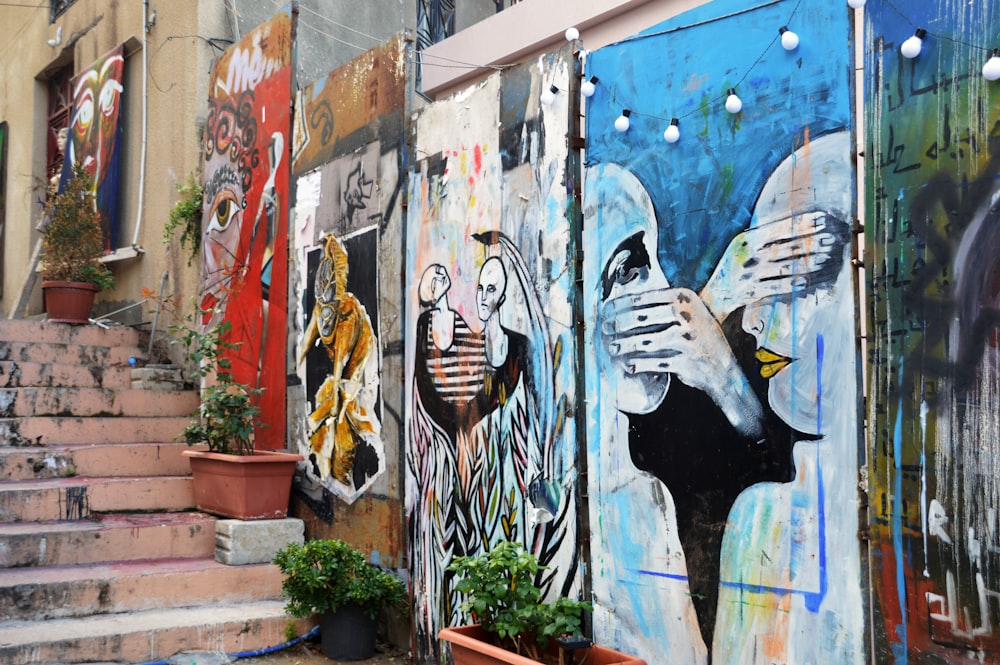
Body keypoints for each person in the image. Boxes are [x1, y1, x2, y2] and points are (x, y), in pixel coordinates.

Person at [585, 149, 853, 659]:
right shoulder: (640, 498)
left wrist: (724, 370)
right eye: (630, 270)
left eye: (798, 281)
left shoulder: (745, 512)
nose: (667, 291)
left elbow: (760, 455)